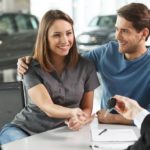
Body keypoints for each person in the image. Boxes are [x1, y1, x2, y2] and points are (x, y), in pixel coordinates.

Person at [17, 3, 150, 125]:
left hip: (140, 130)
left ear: (144, 33)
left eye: (124, 31)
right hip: (105, 129)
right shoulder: (106, 53)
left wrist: (113, 118)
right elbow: (69, 61)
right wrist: (32, 60)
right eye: (117, 29)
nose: (117, 36)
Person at [0, 10, 99, 145]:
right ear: (45, 38)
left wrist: (81, 118)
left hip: (62, 133)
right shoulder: (30, 67)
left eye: (69, 33)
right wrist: (73, 112)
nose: (65, 40)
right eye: (57, 35)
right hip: (24, 130)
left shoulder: (86, 66)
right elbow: (48, 107)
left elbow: (87, 108)